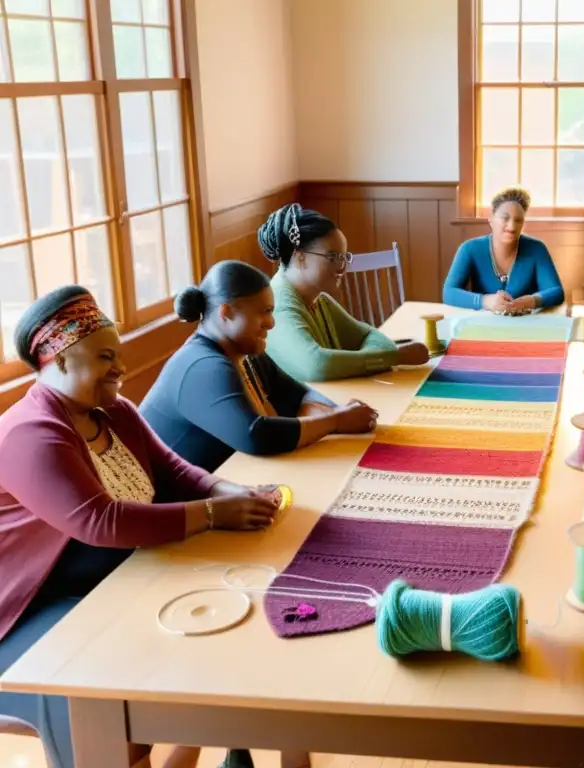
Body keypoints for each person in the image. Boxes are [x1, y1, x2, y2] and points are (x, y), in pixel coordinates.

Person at [0, 286, 280, 768]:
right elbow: (99, 521)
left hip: (95, 581)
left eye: (119, 355)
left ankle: (214, 737)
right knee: (95, 679)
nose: (119, 368)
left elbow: (173, 471)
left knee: (210, 619)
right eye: (105, 357)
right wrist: (213, 515)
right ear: (61, 360)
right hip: (22, 609)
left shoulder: (115, 413)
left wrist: (223, 490)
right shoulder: (30, 433)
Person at [140, 260, 377, 474]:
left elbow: (299, 393)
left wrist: (329, 414)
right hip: (164, 505)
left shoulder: (246, 353)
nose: (271, 323)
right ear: (227, 312)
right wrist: (334, 421)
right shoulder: (202, 366)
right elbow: (256, 436)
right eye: (264, 312)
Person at [259, 203, 429, 382]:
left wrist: (358, 360)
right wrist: (396, 356)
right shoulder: (279, 306)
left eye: (344, 257)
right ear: (299, 256)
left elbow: (372, 335)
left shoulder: (319, 300)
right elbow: (317, 365)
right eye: (333, 257)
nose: (343, 266)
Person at [442, 186, 565, 313]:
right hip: (483, 326)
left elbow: (556, 292)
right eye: (505, 218)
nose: (512, 226)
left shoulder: (537, 248)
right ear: (491, 221)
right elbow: (449, 293)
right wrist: (485, 301)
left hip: (527, 325)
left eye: (518, 220)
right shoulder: (469, 249)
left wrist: (531, 301)